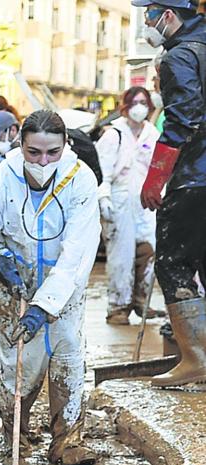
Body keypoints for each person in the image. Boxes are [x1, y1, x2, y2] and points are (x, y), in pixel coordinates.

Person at [0, 110, 101, 465]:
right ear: (20, 144)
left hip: (64, 281)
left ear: (65, 147)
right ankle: (17, 433)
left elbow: (78, 250)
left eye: (52, 153)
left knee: (68, 351)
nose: (43, 161)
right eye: (34, 153)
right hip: (11, 281)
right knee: (18, 358)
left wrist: (45, 305)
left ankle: (68, 440)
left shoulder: (80, 180)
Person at [134, 0, 206, 386]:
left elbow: (183, 120)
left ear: (168, 14)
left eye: (149, 13)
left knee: (174, 263)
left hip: (195, 177)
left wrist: (155, 178)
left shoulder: (178, 57)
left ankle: (196, 359)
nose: (146, 21)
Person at [97, 86, 162, 325]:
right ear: (125, 105)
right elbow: (102, 170)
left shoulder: (152, 134)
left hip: (144, 201)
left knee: (148, 251)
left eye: (144, 102)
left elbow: (157, 168)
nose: (139, 107)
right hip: (120, 199)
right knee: (121, 255)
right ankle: (118, 307)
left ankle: (140, 300)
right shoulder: (114, 135)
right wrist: (103, 196)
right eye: (135, 102)